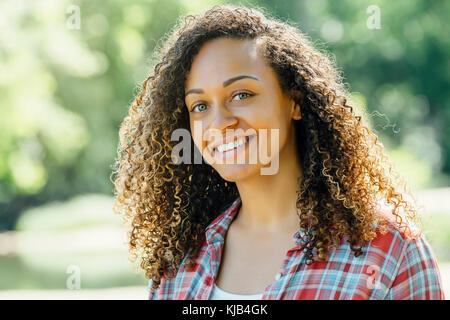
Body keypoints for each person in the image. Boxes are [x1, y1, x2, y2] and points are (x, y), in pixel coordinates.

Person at [112, 4, 445, 300]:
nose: (218, 122)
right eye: (199, 105)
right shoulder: (181, 264)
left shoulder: (387, 250)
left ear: (295, 102)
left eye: (241, 95)